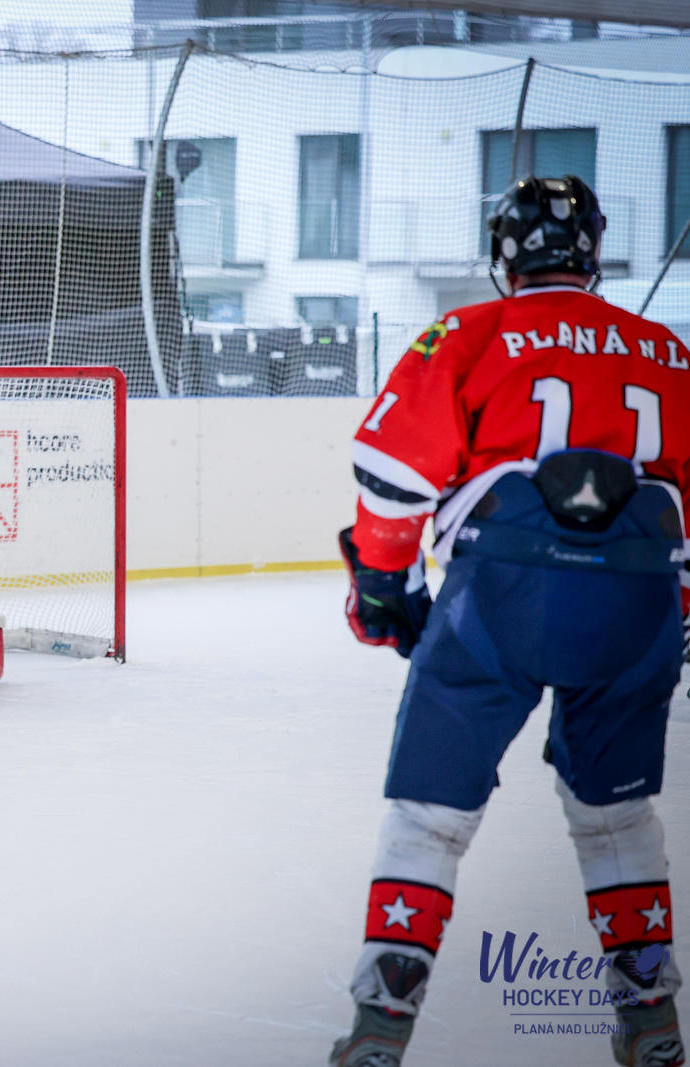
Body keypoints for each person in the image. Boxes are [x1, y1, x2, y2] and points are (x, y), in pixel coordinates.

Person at [331, 175, 688, 1067]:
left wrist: (385, 590)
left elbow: (393, 478)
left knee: (429, 812)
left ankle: (383, 1020)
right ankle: (650, 1014)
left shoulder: (468, 331)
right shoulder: (668, 351)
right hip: (638, 602)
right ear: (592, 252)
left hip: (503, 592)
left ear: (504, 255)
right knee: (617, 814)